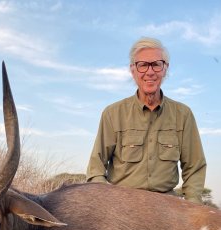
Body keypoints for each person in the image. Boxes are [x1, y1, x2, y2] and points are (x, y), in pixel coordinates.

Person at [86, 37, 206, 203]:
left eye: (156, 64)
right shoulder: (112, 114)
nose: (150, 72)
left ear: (165, 69)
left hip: (168, 208)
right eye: (142, 65)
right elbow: (96, 168)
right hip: (123, 205)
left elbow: (195, 167)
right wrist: (108, 204)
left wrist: (192, 209)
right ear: (133, 70)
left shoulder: (183, 114)